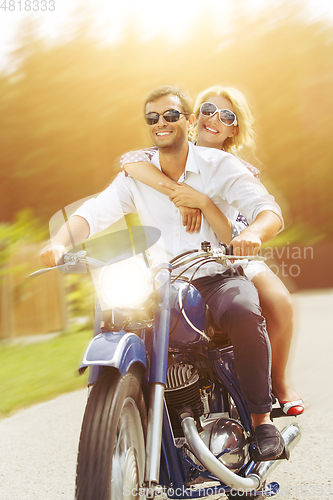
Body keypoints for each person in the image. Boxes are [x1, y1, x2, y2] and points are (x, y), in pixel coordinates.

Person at [40, 85, 287, 461]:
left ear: (188, 122)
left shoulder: (220, 166)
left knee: (244, 309)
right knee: (120, 319)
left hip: (214, 272)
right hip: (160, 281)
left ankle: (261, 420)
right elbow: (93, 212)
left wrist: (252, 233)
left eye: (171, 115)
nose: (161, 123)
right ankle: (131, 416)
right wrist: (59, 242)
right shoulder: (135, 176)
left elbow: (267, 209)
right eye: (153, 118)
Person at [119, 85, 304, 417]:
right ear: (193, 118)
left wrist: (203, 204)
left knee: (278, 302)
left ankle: (277, 382)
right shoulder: (165, 153)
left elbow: (239, 232)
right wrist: (180, 192)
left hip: (231, 253)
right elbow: (129, 162)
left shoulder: (240, 170)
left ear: (234, 128)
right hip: (176, 258)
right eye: (207, 109)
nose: (214, 119)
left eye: (226, 115)